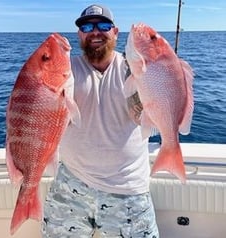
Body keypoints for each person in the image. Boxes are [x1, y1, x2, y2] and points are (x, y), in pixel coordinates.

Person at [42, 4, 159, 238]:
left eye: (103, 26)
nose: (95, 32)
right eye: (87, 26)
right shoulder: (66, 69)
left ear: (115, 32)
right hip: (70, 184)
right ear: (79, 34)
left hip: (128, 188)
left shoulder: (132, 67)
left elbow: (144, 119)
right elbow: (40, 113)